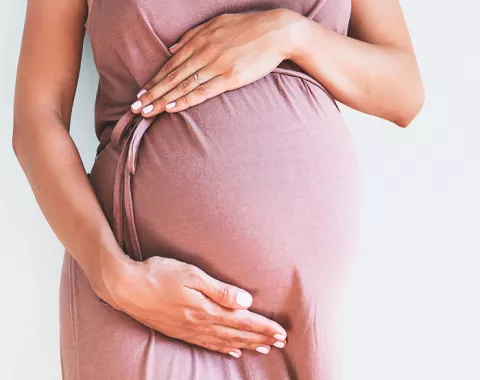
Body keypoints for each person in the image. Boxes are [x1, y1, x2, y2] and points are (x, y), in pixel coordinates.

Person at [12, 0, 424, 379]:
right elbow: (36, 118)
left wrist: (290, 35)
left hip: (300, 319)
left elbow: (403, 91)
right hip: (145, 297)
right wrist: (113, 276)